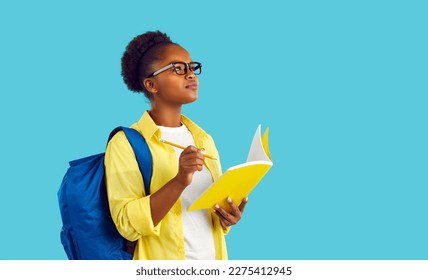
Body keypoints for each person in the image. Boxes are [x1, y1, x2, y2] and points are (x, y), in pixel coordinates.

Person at [104, 31, 248, 260]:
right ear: (151, 84)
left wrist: (227, 216)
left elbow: (204, 218)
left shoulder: (204, 140)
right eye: (178, 69)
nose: (191, 75)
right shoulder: (126, 143)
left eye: (192, 67)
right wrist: (180, 180)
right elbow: (127, 224)